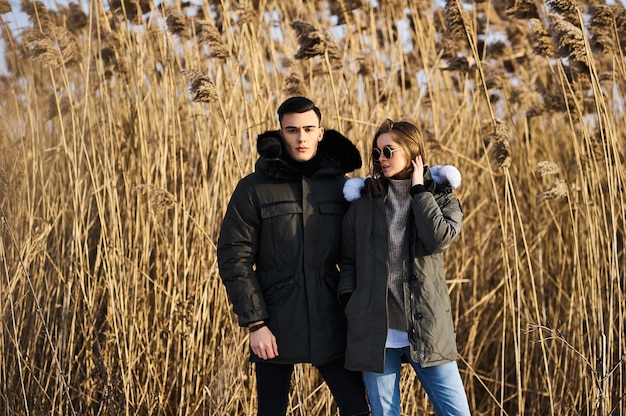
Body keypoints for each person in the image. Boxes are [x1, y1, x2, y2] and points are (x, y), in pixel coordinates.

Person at [217, 96, 370, 416]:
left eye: (308, 129)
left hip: (332, 317)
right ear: (280, 132)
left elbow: (362, 250)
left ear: (320, 133)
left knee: (356, 408)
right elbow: (235, 255)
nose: (301, 137)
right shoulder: (254, 188)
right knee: (271, 411)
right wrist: (255, 322)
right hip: (274, 317)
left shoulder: (342, 187)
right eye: (292, 130)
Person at [339, 119, 471, 416]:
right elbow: (347, 261)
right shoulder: (363, 204)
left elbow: (437, 238)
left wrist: (419, 191)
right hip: (376, 331)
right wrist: (351, 301)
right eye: (376, 153)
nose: (381, 159)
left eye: (388, 151)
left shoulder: (440, 198)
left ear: (413, 154)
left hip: (425, 328)